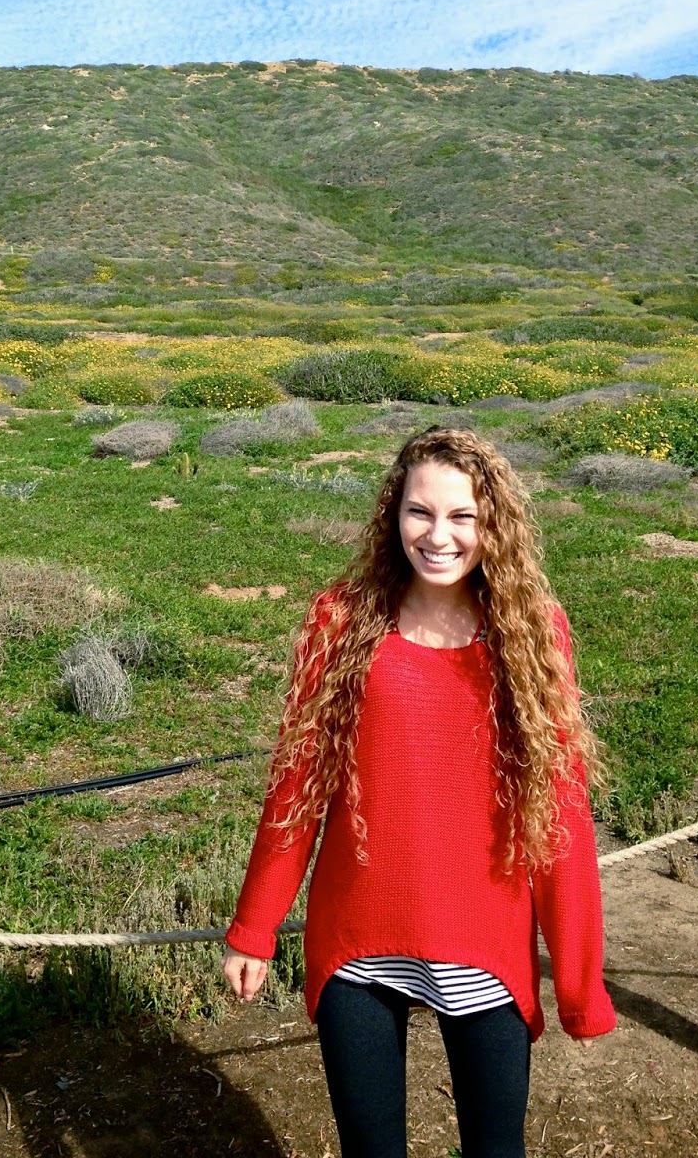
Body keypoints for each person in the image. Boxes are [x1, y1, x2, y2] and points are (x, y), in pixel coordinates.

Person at [220, 426, 615, 1158]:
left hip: (487, 948)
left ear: (492, 523)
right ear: (391, 513)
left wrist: (580, 986)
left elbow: (562, 817)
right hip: (358, 950)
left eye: (462, 516)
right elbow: (298, 786)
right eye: (419, 512)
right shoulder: (340, 621)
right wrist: (255, 926)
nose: (438, 535)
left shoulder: (532, 632)